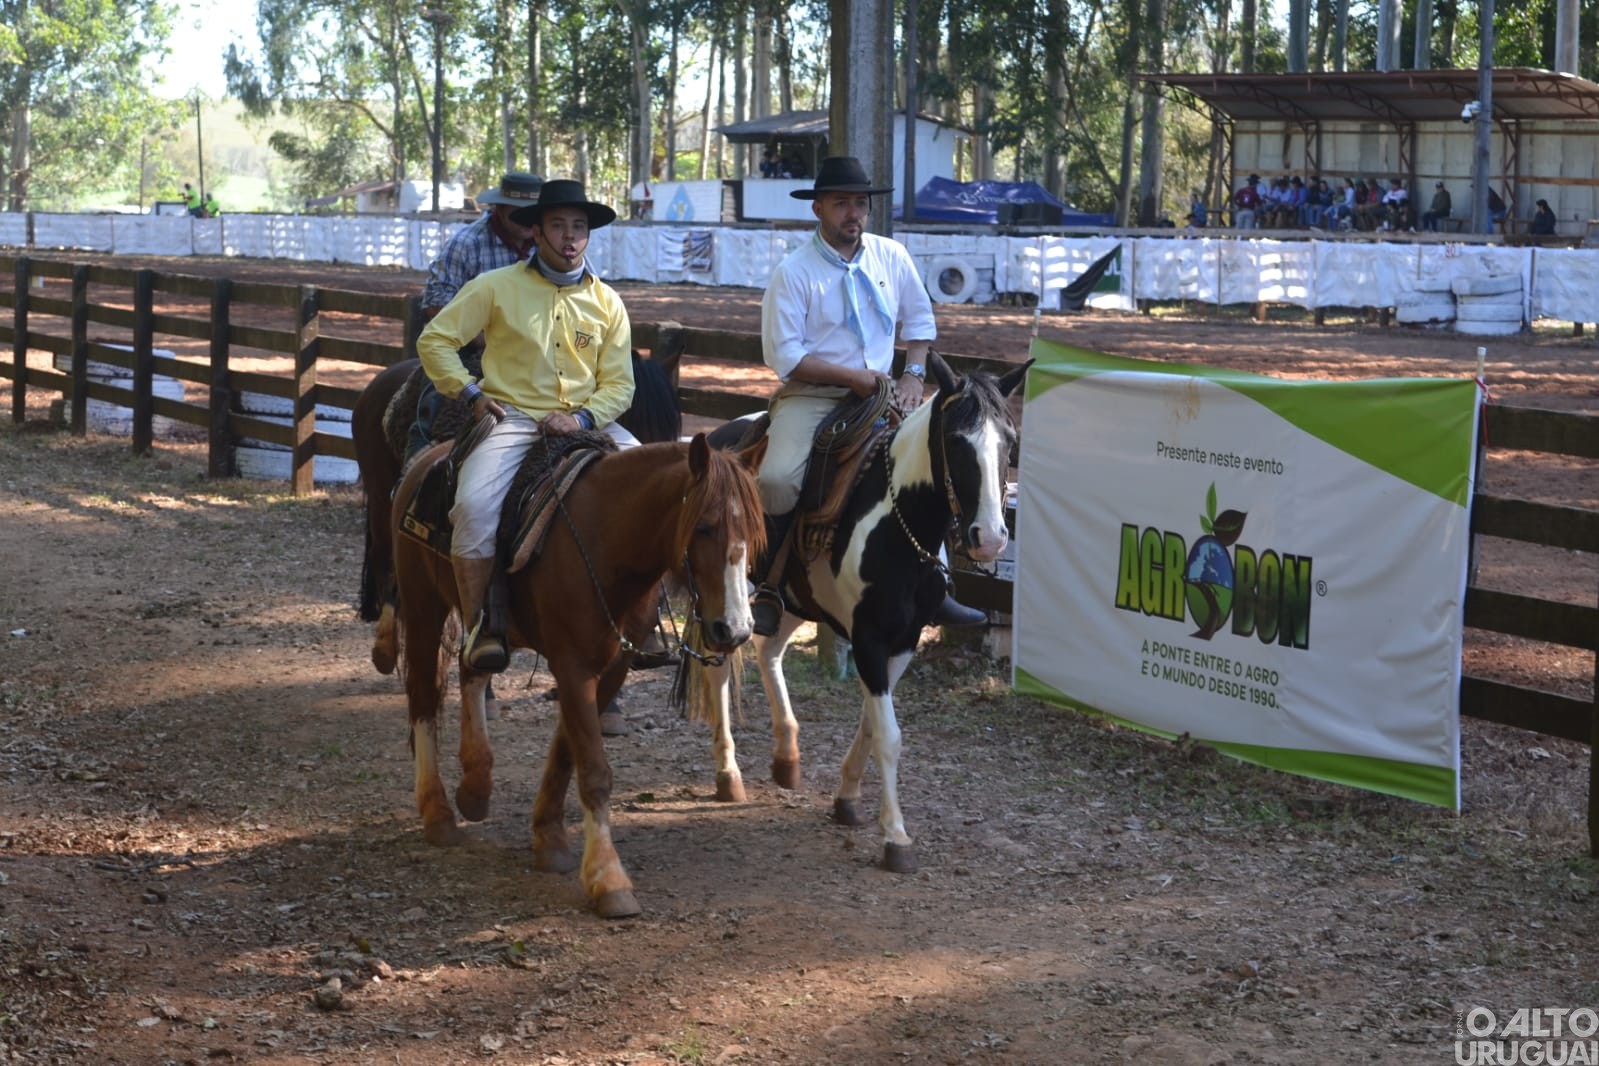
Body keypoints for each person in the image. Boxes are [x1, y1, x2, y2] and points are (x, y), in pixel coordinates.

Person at [751, 155, 985, 636]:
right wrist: (854, 379)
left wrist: (914, 377)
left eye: (860, 204)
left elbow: (920, 325)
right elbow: (786, 358)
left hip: (882, 394)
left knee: (932, 466)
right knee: (776, 478)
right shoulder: (793, 273)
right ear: (818, 209)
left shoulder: (891, 257)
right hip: (812, 394)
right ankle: (767, 584)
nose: (853, 214)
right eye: (841, 204)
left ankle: (938, 588)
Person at [416, 178, 637, 673]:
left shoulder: (608, 303)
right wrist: (470, 393)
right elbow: (434, 341)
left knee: (666, 489)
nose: (569, 236)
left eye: (578, 227)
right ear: (535, 232)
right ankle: (479, 627)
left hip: (587, 423)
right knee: (472, 509)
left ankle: (643, 622)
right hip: (512, 419)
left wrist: (582, 416)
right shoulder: (494, 287)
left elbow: (620, 386)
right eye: (557, 225)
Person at [407, 172, 544, 462]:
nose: (526, 222)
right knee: (434, 400)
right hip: (472, 348)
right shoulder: (467, 243)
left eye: (533, 215)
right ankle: (417, 467)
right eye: (519, 214)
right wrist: (483, 338)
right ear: (500, 209)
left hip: (538, 350)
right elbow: (435, 301)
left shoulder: (551, 246)